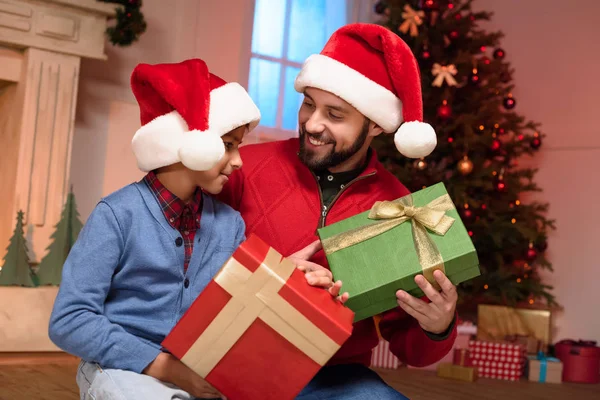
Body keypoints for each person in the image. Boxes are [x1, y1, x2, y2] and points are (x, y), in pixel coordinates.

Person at [48, 58, 344, 400]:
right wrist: (168, 369)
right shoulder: (117, 215)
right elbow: (69, 320)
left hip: (197, 374)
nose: (238, 161)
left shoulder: (229, 224)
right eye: (229, 145)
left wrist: (285, 278)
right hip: (119, 368)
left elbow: (237, 304)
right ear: (190, 142)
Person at [218, 23, 458, 398]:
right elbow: (186, 269)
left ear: (376, 124)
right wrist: (270, 277)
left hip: (334, 377)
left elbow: (408, 346)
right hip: (235, 357)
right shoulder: (242, 168)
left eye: (335, 114)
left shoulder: (398, 207)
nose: (313, 124)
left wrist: (438, 326)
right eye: (309, 104)